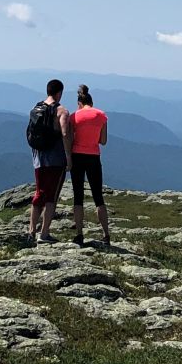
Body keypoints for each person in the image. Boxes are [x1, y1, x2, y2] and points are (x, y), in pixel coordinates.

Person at [27, 78, 71, 244]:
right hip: (55, 158)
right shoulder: (61, 111)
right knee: (51, 196)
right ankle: (44, 233)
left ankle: (31, 230)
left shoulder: (37, 107)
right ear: (59, 92)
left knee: (39, 192)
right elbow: (65, 134)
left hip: (38, 156)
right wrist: (68, 157)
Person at [68, 84, 110, 247]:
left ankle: (79, 235)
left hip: (77, 156)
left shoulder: (74, 116)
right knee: (98, 197)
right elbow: (103, 141)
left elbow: (70, 139)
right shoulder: (101, 115)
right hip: (93, 157)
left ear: (79, 103)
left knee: (78, 197)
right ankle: (106, 234)